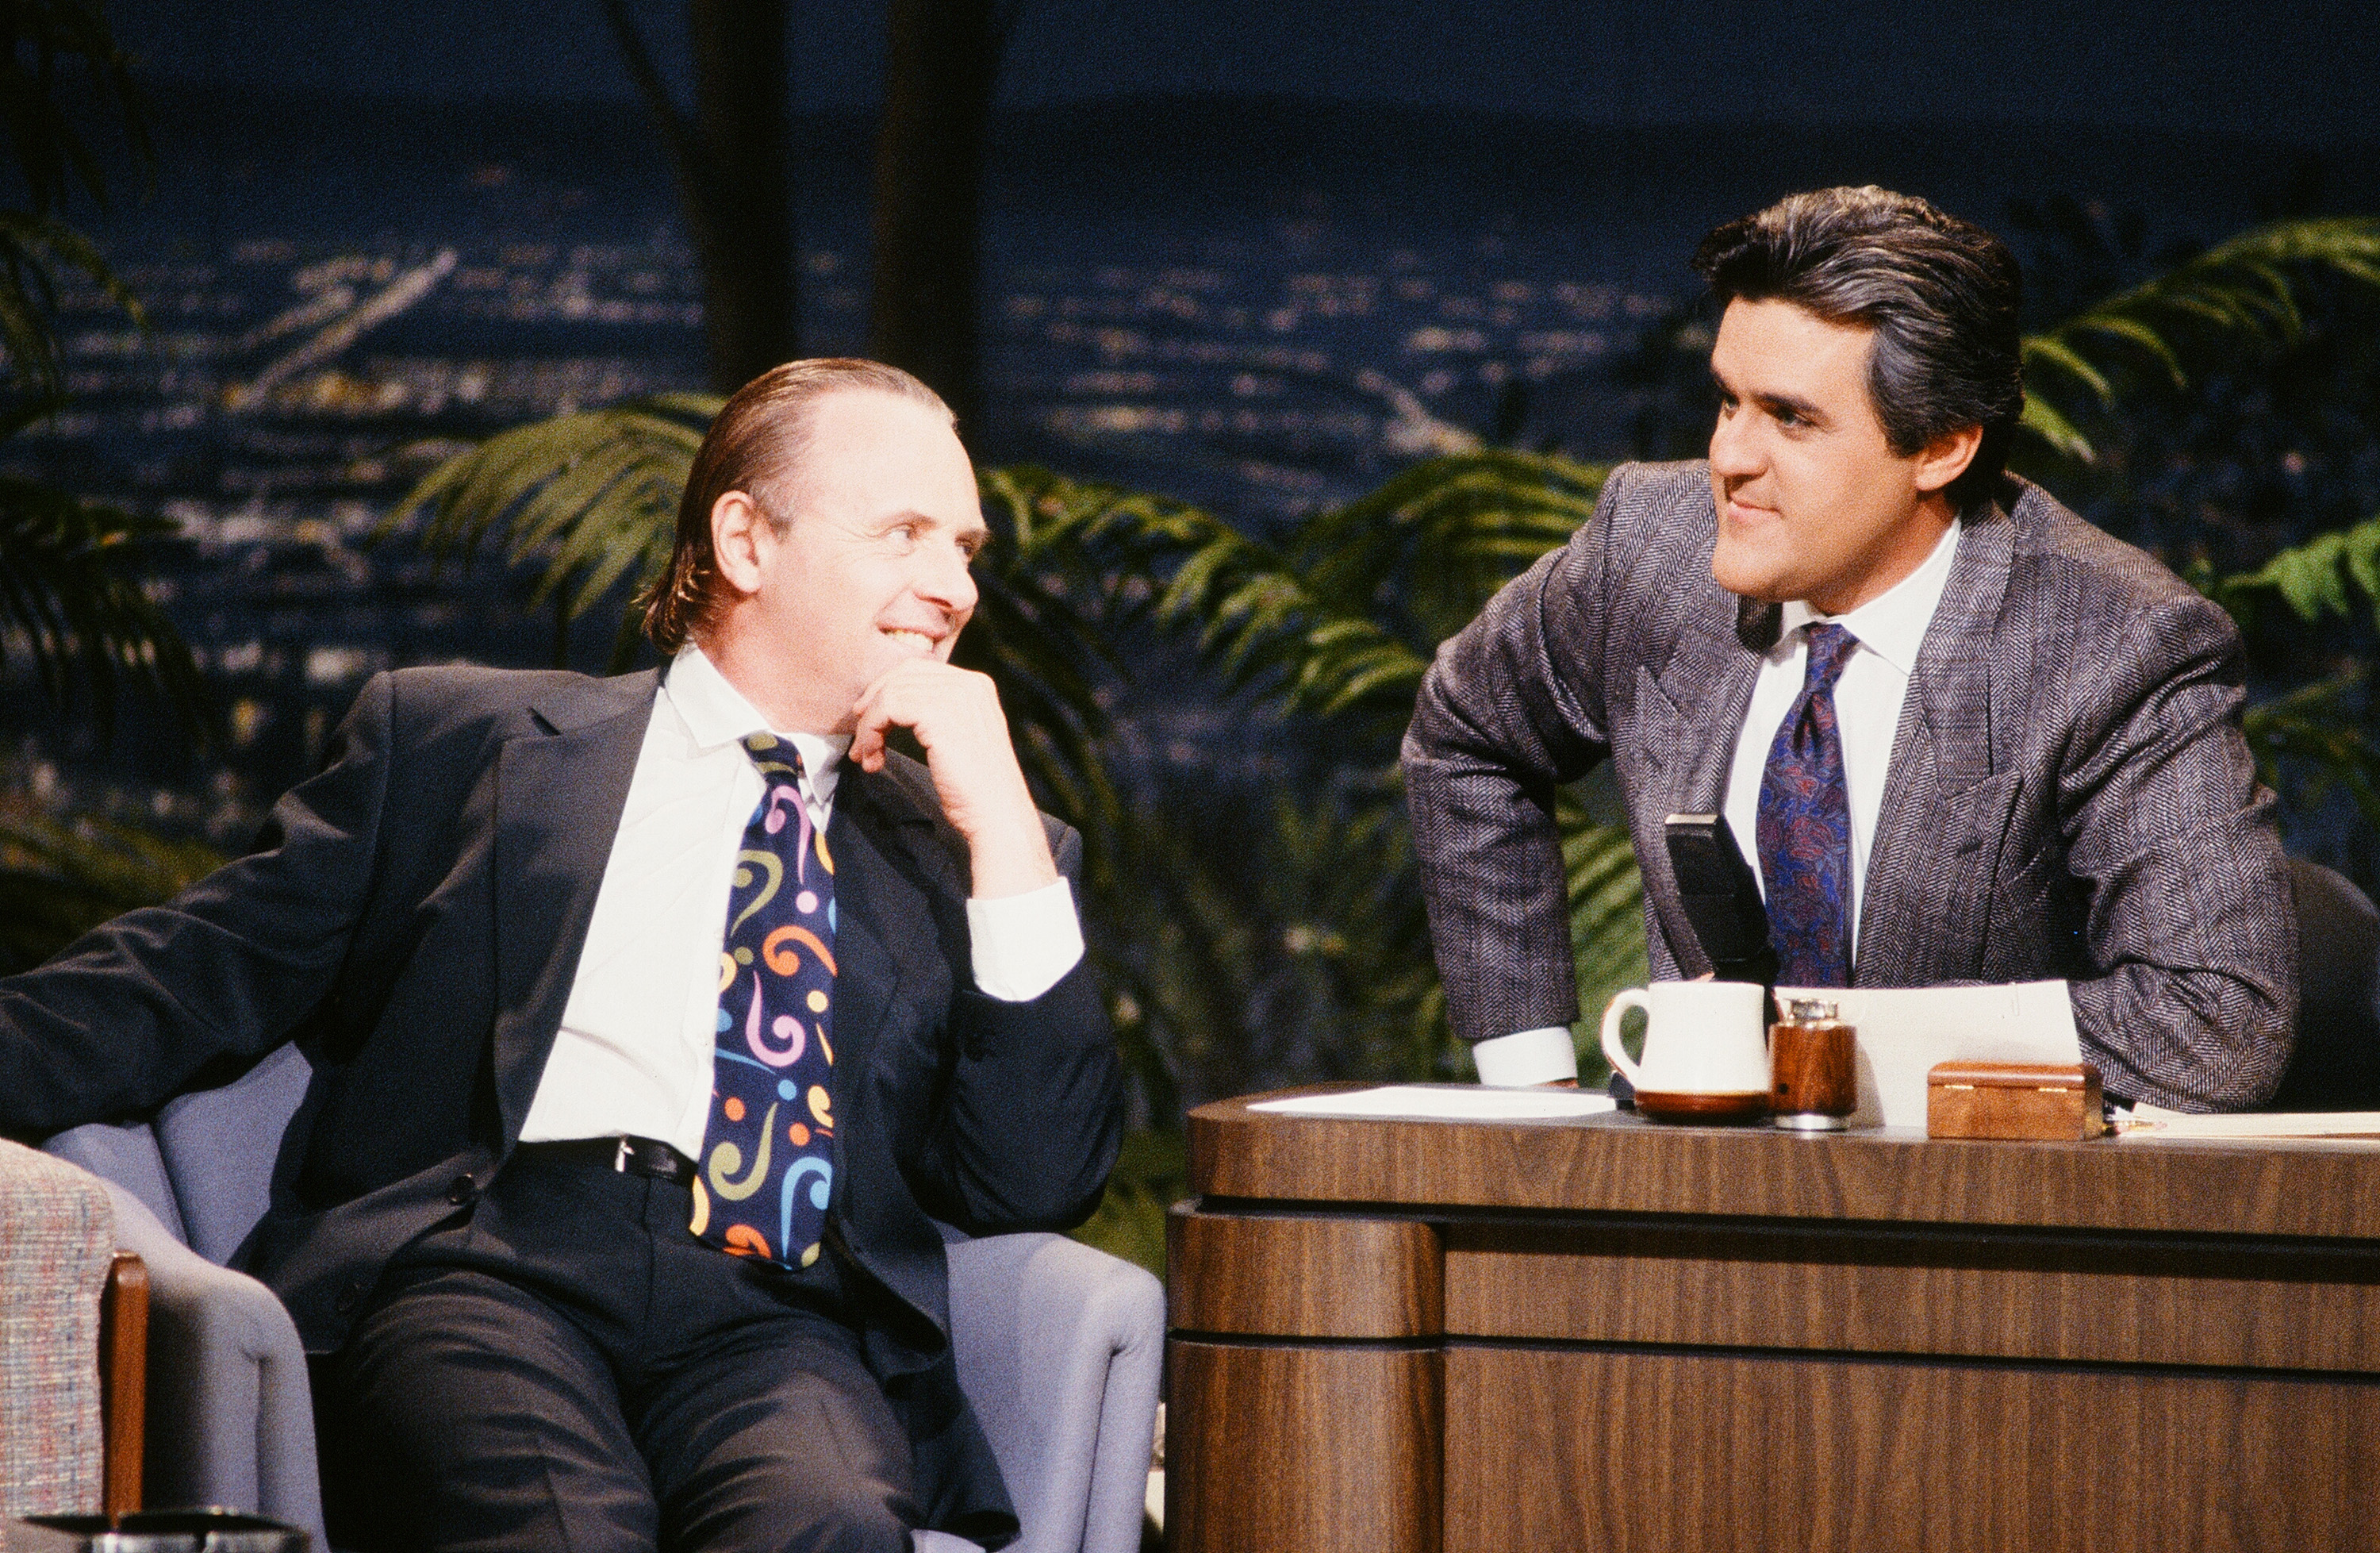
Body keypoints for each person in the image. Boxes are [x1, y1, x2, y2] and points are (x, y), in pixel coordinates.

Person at [0, 358, 1123, 1551]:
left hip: (776, 1311)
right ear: (745, 541)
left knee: (836, 1526)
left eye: (966, 548)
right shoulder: (466, 744)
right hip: (486, 1264)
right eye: (905, 533)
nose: (951, 587)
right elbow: (186, 977)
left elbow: (1033, 1181)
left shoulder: (971, 853)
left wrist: (1001, 820)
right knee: (561, 1529)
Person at [1402, 186, 2295, 1110]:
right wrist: (1531, 1099)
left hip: (1969, 1223)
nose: (1731, 457)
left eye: (1792, 418)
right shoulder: (1650, 550)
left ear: (1942, 447)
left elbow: (2216, 1024)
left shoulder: (2112, 646)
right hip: (1679, 1216)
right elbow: (1466, 730)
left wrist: (1823, 1042)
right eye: (1726, 401)